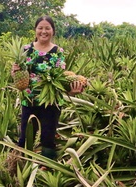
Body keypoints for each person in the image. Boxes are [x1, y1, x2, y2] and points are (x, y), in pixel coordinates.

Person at [11, 15, 84, 167]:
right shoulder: (25, 50)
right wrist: (14, 73)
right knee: (24, 137)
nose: (43, 31)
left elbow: (61, 79)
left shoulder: (58, 51)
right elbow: (18, 76)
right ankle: (19, 169)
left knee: (48, 138)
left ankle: (48, 169)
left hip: (51, 102)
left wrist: (72, 92)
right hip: (29, 100)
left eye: (47, 28)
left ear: (53, 31)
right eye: (40, 28)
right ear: (35, 30)